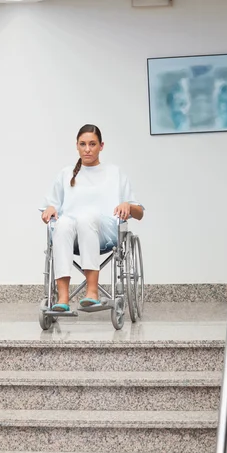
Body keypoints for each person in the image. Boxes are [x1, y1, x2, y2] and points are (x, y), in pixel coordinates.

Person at [41, 124, 144, 312]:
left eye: (92, 144)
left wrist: (128, 205)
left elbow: (139, 213)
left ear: (101, 146)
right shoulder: (65, 174)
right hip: (72, 235)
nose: (87, 149)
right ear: (77, 146)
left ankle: (92, 292)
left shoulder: (114, 173)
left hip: (105, 232)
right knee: (62, 223)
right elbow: (50, 207)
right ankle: (62, 298)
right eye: (83, 144)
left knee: (86, 217)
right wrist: (48, 210)